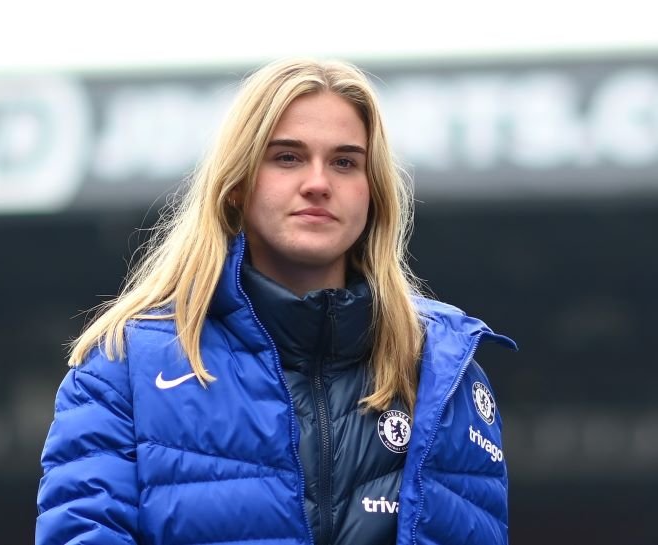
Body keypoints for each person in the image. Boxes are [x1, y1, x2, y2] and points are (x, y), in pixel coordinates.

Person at [36, 58, 516, 545]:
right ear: (237, 184)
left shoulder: (444, 373)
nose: (318, 182)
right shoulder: (122, 366)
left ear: (374, 194)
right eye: (287, 157)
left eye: (345, 162)